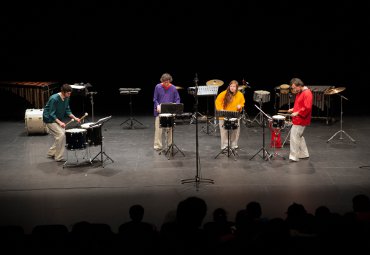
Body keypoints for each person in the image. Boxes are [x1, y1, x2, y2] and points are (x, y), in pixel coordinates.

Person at [43, 84, 80, 162]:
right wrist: (60, 123)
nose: (69, 95)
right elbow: (51, 113)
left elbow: (67, 110)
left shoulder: (66, 98)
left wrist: (75, 118)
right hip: (49, 119)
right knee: (61, 135)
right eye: (68, 93)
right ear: (63, 92)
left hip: (56, 118)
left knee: (61, 135)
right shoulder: (54, 98)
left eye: (70, 93)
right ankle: (58, 157)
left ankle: (51, 152)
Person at [153, 73, 181, 151]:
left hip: (170, 111)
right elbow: (155, 99)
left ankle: (169, 144)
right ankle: (157, 145)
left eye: (168, 82)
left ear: (169, 81)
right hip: (159, 111)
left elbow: (177, 99)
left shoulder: (173, 88)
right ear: (162, 81)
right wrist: (157, 105)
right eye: (164, 82)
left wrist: (176, 105)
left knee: (170, 129)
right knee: (158, 129)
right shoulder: (158, 87)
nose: (166, 83)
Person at [287, 78, 313, 162]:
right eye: (293, 88)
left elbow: (307, 107)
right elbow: (300, 105)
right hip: (299, 117)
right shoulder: (300, 92)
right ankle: (304, 153)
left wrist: (297, 113)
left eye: (295, 88)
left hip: (301, 119)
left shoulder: (307, 93)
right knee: (299, 136)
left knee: (294, 137)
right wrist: (293, 109)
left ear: (300, 85)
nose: (294, 90)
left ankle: (294, 156)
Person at [215, 80, 245, 150]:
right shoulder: (224, 93)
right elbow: (217, 101)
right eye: (231, 86)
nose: (232, 88)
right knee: (224, 131)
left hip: (235, 114)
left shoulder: (240, 94)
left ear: (237, 87)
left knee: (236, 130)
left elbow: (242, 102)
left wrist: (240, 106)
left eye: (234, 86)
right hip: (224, 114)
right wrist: (220, 109)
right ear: (229, 86)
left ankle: (234, 144)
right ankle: (225, 146)